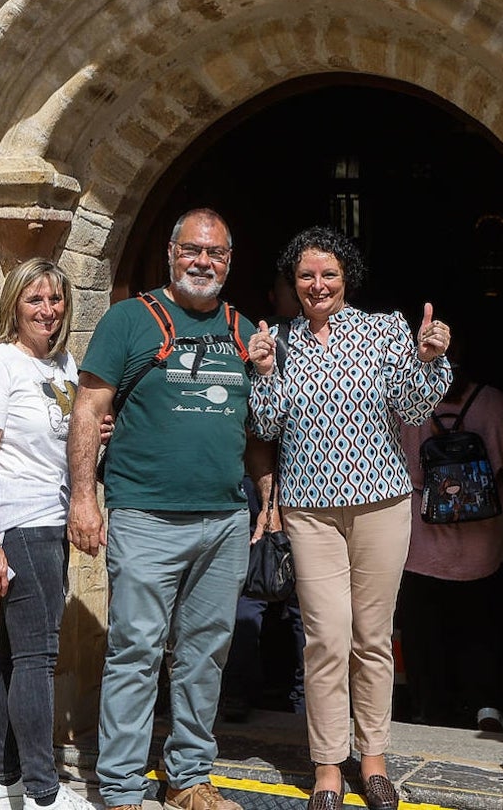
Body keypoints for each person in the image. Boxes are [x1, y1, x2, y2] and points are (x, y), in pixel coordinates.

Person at [67, 208, 273, 810]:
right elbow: (88, 408)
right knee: (135, 649)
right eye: (192, 250)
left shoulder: (246, 329)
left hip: (224, 519)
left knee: (206, 652)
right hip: (146, 514)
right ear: (171, 254)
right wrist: (84, 497)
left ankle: (187, 778)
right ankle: (125, 787)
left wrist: (267, 489)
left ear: (229, 261)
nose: (202, 262)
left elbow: (259, 421)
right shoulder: (129, 321)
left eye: (215, 253)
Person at [246, 226, 451, 810]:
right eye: (306, 276)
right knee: (326, 639)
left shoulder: (382, 328)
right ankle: (328, 768)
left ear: (346, 279)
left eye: (328, 274)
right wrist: (262, 374)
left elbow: (411, 409)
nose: (317, 285)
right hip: (310, 510)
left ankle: (376, 760)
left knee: (373, 638)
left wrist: (430, 362)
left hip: (382, 504)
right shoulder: (279, 340)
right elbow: (267, 425)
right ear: (293, 282)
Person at [0, 258, 96, 810]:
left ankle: (4, 778)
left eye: (56, 300)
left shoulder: (62, 365)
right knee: (37, 656)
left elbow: (63, 443)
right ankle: (44, 792)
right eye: (35, 300)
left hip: (50, 517)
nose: (48, 310)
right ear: (13, 306)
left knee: (13, 652)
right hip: (18, 522)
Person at [397, 365, 503, 734]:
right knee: (479, 625)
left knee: (421, 630)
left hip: (419, 541)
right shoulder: (492, 402)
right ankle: (487, 707)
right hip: (484, 538)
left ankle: (429, 711)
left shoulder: (405, 401)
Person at [221, 272, 305, 723]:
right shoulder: (260, 341)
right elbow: (255, 428)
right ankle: (240, 692)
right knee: (253, 591)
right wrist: (269, 500)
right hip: (264, 487)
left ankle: (305, 703)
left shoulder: (323, 344)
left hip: (313, 489)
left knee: (304, 602)